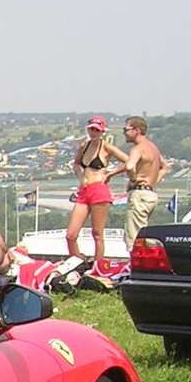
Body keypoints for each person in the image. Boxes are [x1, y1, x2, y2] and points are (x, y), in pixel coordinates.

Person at [65, 116, 128, 288]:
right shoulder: (84, 147)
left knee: (97, 233)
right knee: (71, 234)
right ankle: (76, 263)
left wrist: (110, 174)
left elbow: (128, 161)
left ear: (102, 132)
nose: (93, 133)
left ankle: (98, 267)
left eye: (97, 130)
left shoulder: (106, 147)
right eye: (91, 129)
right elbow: (77, 164)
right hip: (85, 190)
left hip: (99, 189)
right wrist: (80, 179)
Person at [114, 117, 170, 246]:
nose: (124, 133)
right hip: (150, 195)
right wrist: (153, 182)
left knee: (134, 239)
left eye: (126, 129)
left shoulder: (138, 149)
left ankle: (137, 265)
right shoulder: (153, 148)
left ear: (137, 130)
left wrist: (134, 179)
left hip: (139, 195)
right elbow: (165, 167)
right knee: (144, 236)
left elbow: (129, 166)